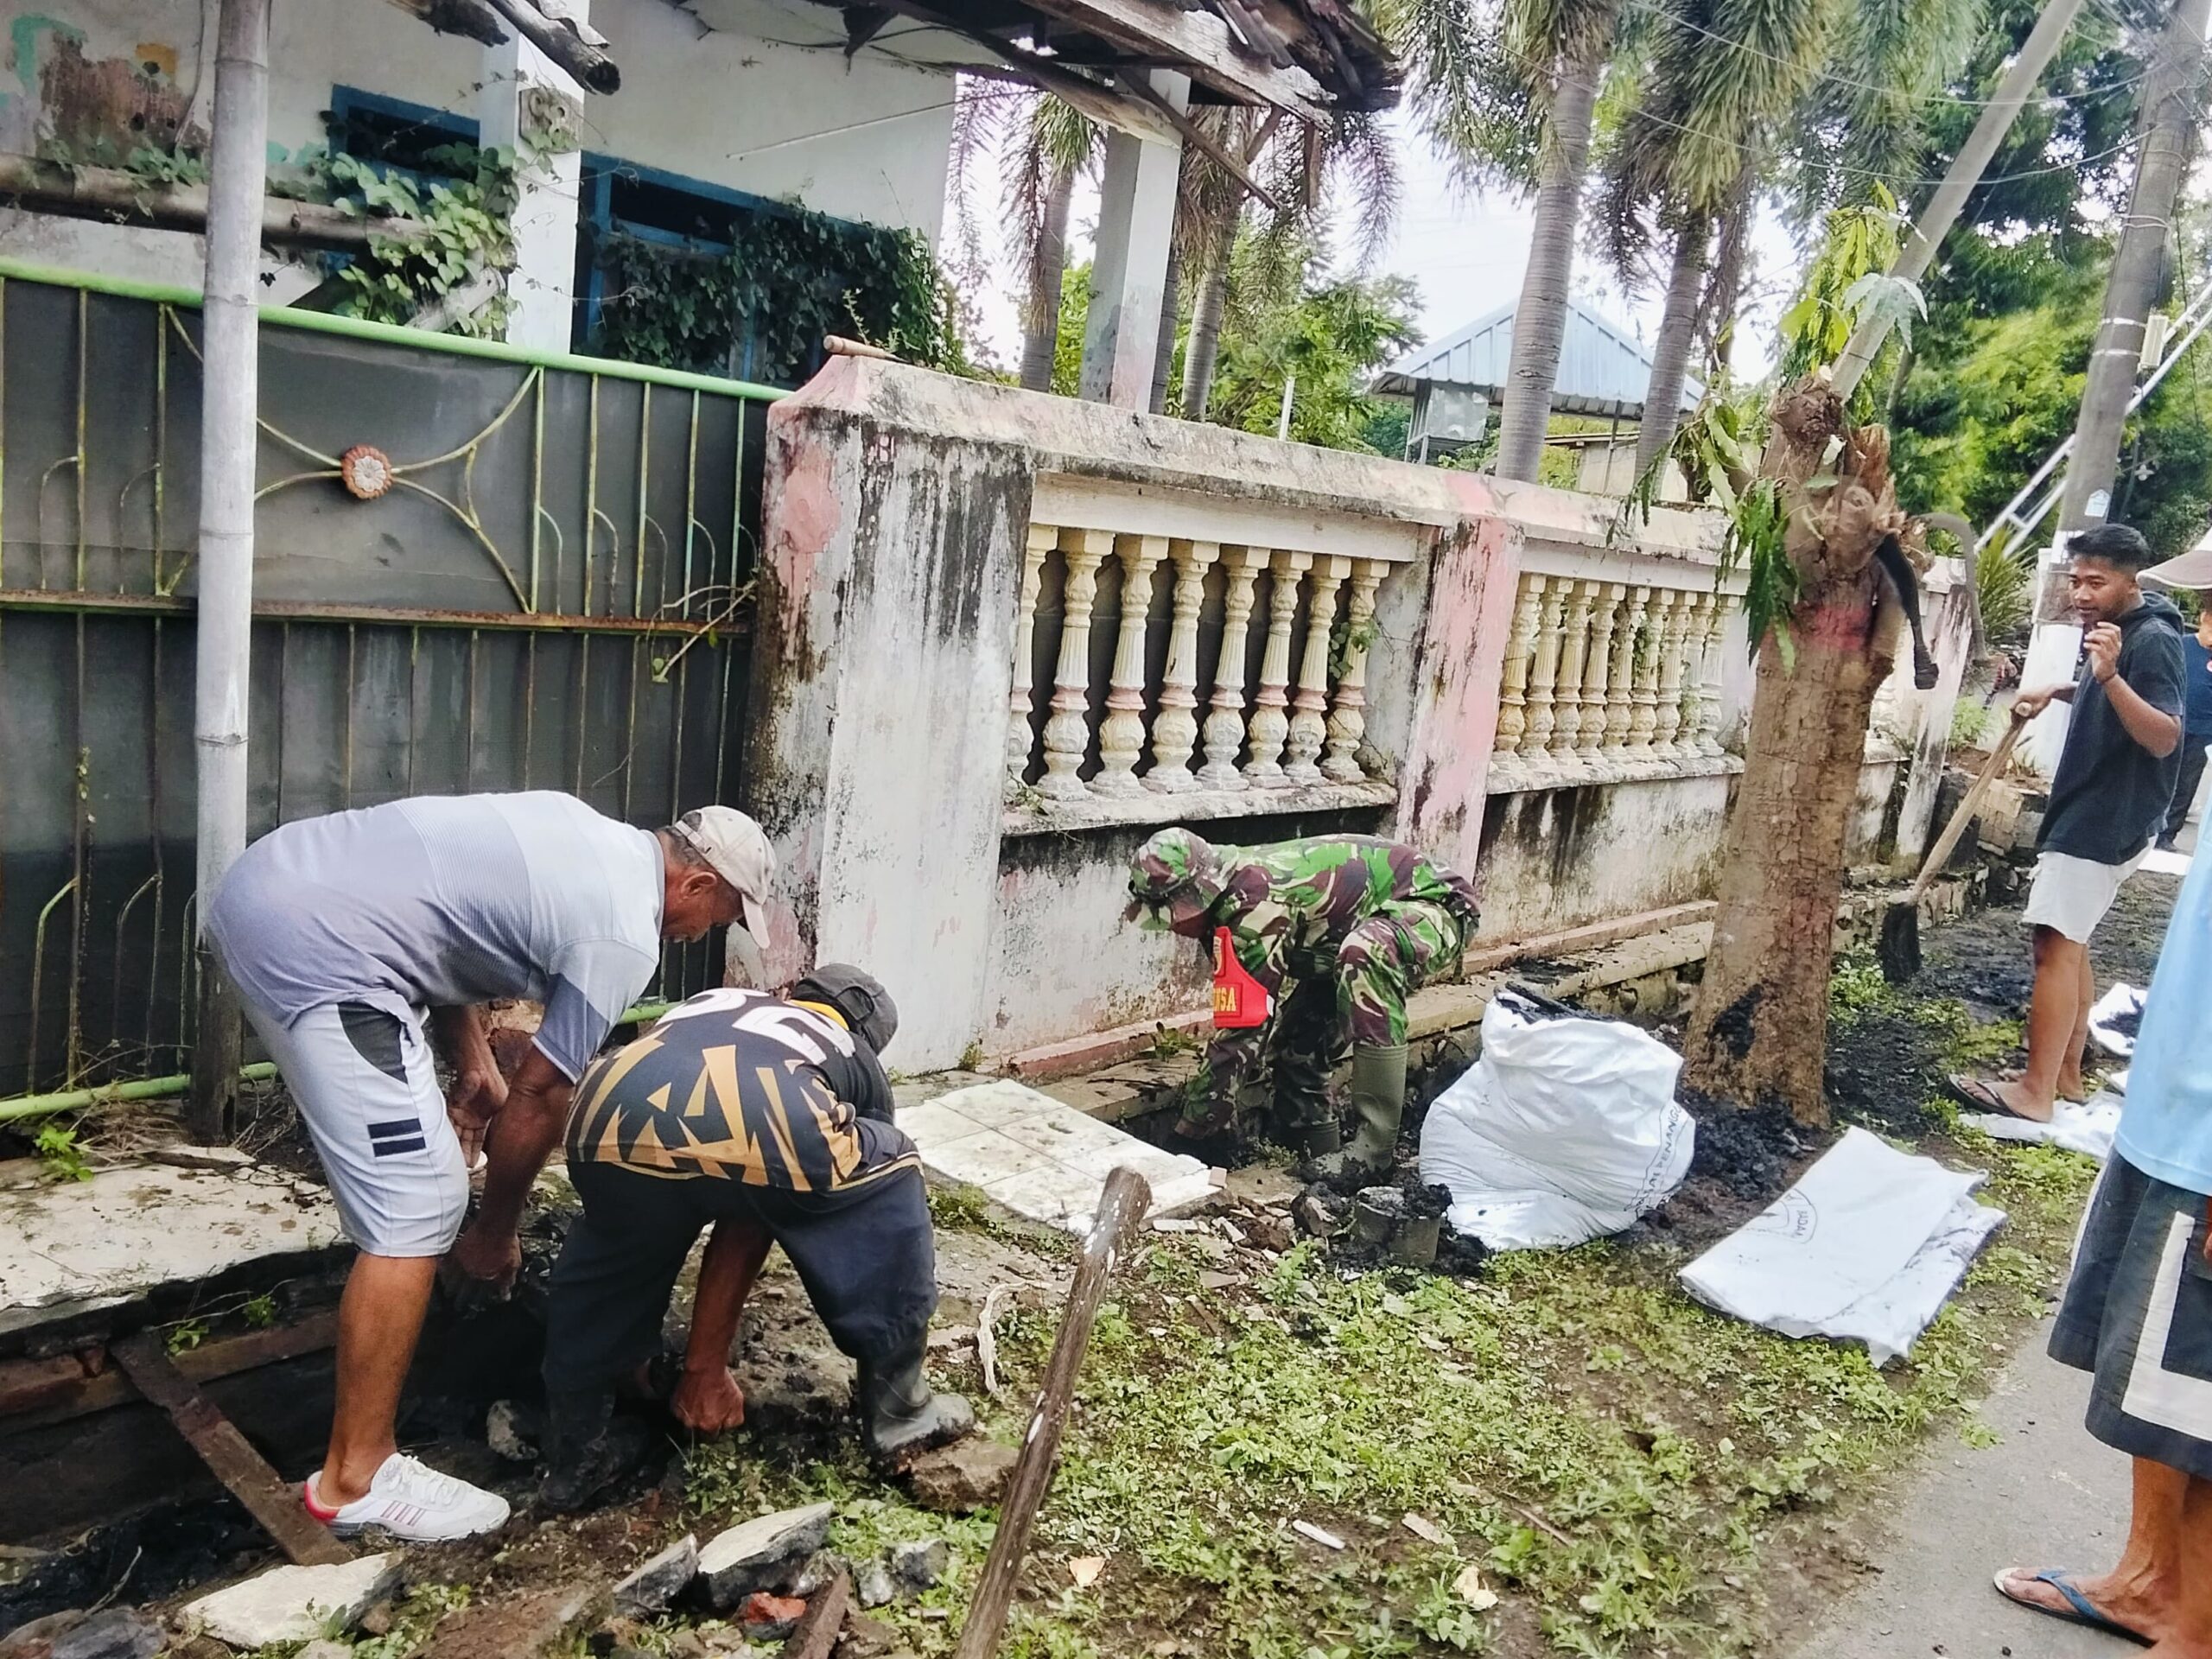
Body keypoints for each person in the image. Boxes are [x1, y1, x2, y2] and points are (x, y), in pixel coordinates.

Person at [205, 793, 775, 1541]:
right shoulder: (623, 936)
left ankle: (366, 1431)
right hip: (320, 945)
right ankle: (355, 1477)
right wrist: (494, 1232)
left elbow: (442, 925)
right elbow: (543, 1092)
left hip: (275, 884)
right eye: (723, 915)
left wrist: (470, 1061)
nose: (706, 931)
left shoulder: (579, 827)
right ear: (695, 886)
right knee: (420, 1203)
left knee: (427, 1178)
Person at [537, 965, 972, 1509]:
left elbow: (733, 1200)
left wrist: (703, 1366)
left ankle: (577, 1453)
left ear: (789, 995)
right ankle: (903, 1417)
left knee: (615, 1241)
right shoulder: (850, 1056)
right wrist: (704, 1368)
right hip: (771, 1119)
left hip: (603, 1108)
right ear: (869, 1040)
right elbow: (760, 1211)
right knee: (891, 1160)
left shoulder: (715, 1000)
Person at [1993, 827, 2212, 1651]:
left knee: (2204, 1396)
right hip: (2174, 1111)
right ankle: (2154, 1585)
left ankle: (2196, 1634)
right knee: (2170, 1393)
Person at [1952, 524, 2185, 1124]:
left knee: (2053, 947)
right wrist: (2064, 688)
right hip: (2104, 809)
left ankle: (2035, 1093)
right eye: (2076, 580)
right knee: (2070, 943)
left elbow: (2164, 736)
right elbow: (2112, 692)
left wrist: (2107, 677)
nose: (2082, 594)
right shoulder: (2125, 628)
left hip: (2103, 817)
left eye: (2096, 582)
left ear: (2132, 579)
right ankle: (2066, 1073)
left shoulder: (2152, 639)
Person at [1122, 828, 1479, 1183]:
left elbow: (1243, 1031)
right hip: (1345, 932)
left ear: (1200, 894)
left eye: (1173, 914)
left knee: (1365, 953)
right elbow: (1238, 1017)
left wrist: (1189, 1137)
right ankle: (1312, 1155)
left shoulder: (1255, 907)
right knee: (1297, 1045)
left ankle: (1374, 1151)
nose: (1172, 927)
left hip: (1436, 906)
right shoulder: (1226, 899)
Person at [2158, 595, 2212, 850]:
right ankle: (2146, 830)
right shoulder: (2181, 645)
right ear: (2203, 619)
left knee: (2186, 784)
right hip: (2171, 721)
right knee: (2158, 776)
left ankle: (2168, 835)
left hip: (2204, 731)